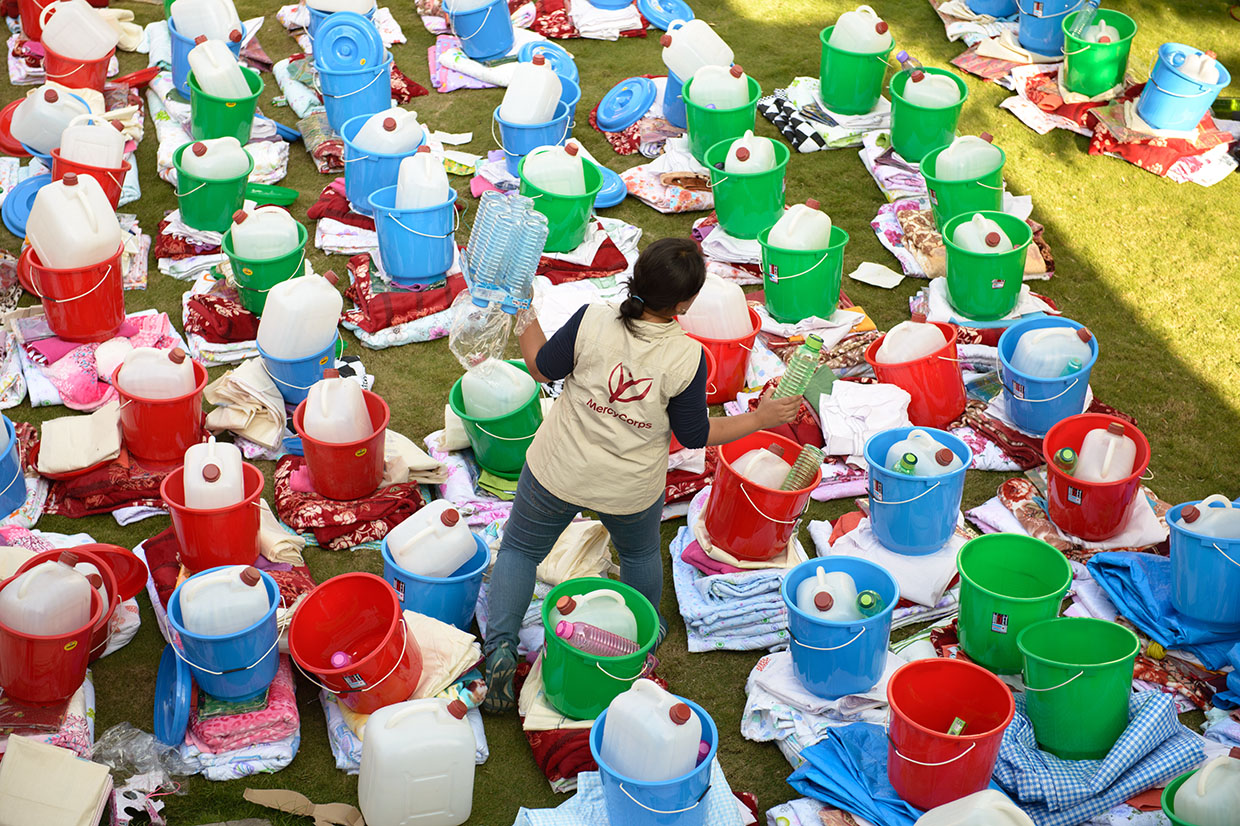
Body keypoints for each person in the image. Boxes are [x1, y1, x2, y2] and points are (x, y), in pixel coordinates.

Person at [481, 238, 801, 713]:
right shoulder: (687, 357)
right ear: (684, 304)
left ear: (636, 277)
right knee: (638, 554)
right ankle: (639, 643)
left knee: (521, 549)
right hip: (629, 488)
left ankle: (501, 649)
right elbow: (694, 435)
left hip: (557, 467)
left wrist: (524, 309)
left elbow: (539, 367)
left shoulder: (592, 318)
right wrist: (758, 418)